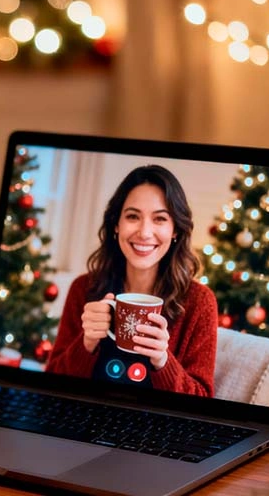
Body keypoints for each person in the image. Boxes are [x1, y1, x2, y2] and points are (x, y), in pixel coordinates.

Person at [45, 165, 217, 396]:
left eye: (160, 219)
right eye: (133, 216)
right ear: (116, 224)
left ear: (175, 229)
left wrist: (163, 361)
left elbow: (202, 400)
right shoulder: (84, 288)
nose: (144, 232)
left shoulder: (199, 302)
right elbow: (50, 387)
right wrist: (85, 344)